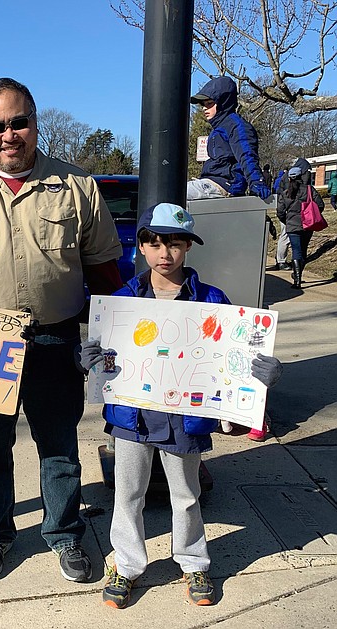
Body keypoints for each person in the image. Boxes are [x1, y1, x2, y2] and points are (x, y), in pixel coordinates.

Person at [0, 77, 124, 583]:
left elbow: (104, 271)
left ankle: (64, 534)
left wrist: (115, 342)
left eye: (19, 122)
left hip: (55, 339)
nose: (8, 134)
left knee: (58, 446)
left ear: (35, 124)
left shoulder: (77, 187)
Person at [77, 203, 283, 609]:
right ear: (141, 247)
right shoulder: (122, 300)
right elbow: (104, 357)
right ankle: (127, 564)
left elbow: (235, 353)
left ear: (188, 246)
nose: (164, 252)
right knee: (128, 494)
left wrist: (260, 374)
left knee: (186, 493)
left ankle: (193, 562)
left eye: (174, 243)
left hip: (185, 417)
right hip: (133, 416)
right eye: (153, 243)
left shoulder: (212, 300)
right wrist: (87, 359)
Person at [187, 76, 271, 201]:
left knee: (171, 195)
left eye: (209, 103)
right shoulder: (218, 128)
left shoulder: (237, 126)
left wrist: (256, 181)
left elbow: (247, 155)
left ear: (222, 103)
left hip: (225, 184)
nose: (205, 108)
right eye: (203, 105)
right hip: (212, 181)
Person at [276, 158, 325, 289]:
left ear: (290, 178)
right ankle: (298, 274)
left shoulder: (286, 193)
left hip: (292, 226)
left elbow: (280, 211)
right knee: (303, 251)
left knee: (296, 251)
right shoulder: (309, 190)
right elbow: (320, 205)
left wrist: (286, 221)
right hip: (308, 225)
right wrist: (312, 213)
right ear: (301, 176)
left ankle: (297, 280)